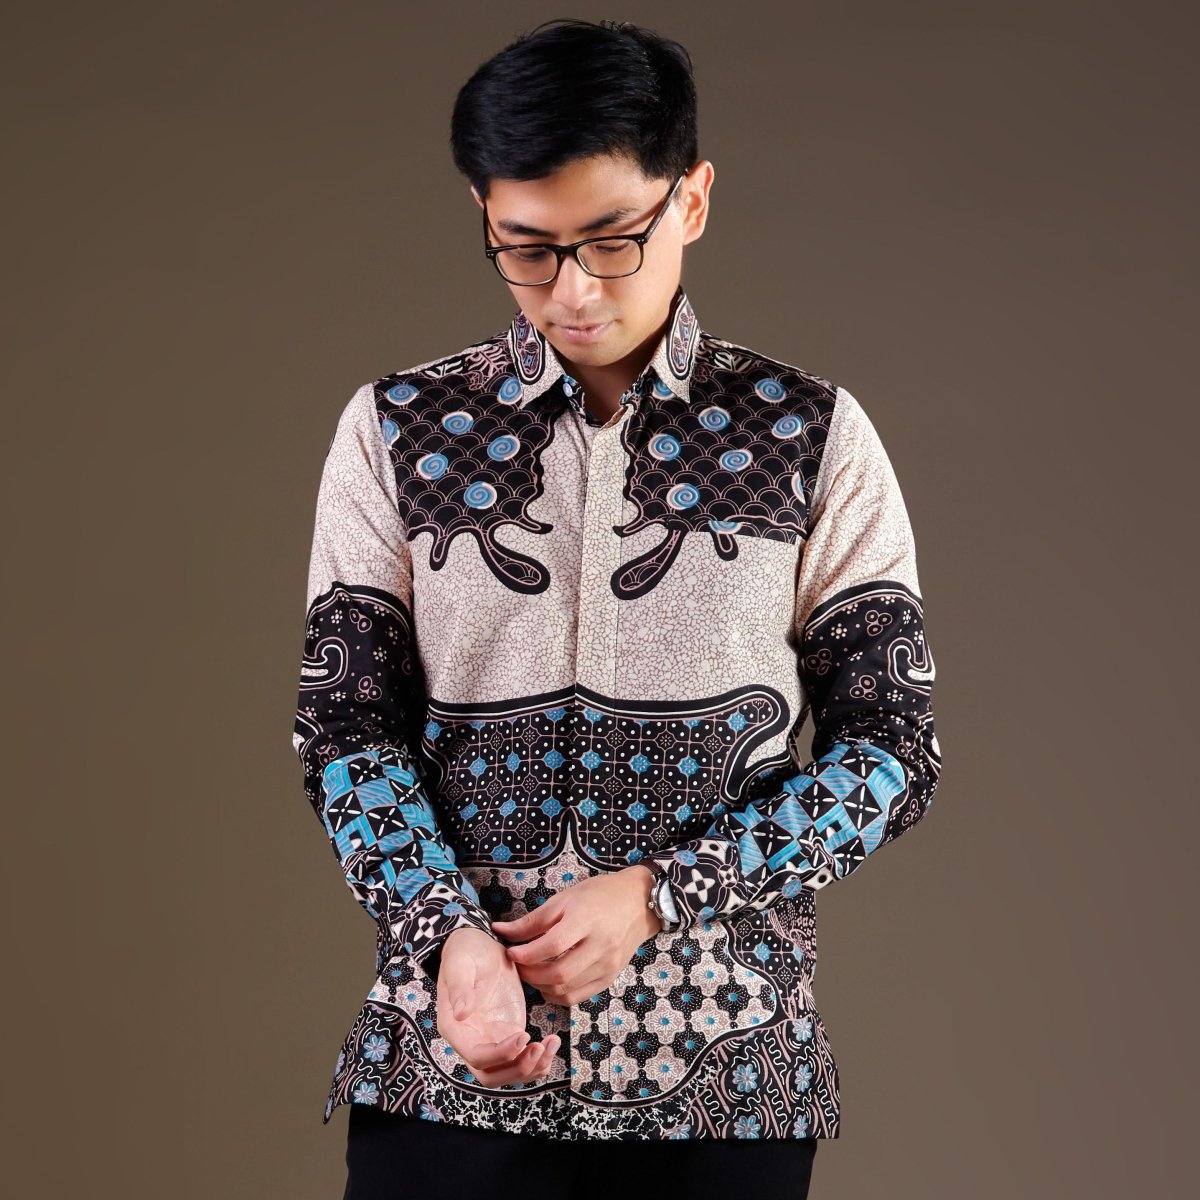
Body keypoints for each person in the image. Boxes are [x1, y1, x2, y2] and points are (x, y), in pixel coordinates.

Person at [291, 17, 941, 1200]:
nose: (574, 290)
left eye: (612, 241)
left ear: (691, 200)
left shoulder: (812, 438)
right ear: (486, 214)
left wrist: (662, 895)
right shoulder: (396, 431)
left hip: (724, 1088)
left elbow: (893, 755)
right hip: (449, 1068)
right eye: (527, 249)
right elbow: (346, 728)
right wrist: (445, 936)